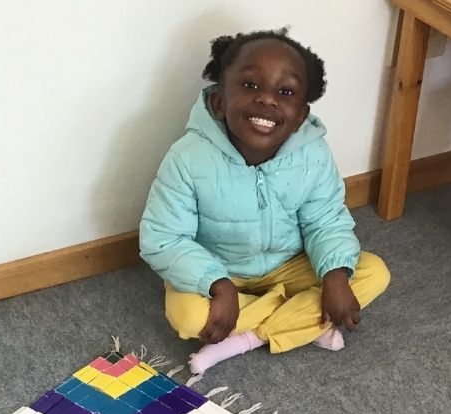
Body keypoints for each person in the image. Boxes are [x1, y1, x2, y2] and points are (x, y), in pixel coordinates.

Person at [140, 29, 390, 374]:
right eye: (251, 86)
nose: (267, 100)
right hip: (220, 270)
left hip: (290, 263)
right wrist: (217, 284)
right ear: (219, 102)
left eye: (285, 92)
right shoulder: (187, 158)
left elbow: (326, 220)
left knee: (373, 273)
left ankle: (249, 338)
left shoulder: (313, 155)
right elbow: (163, 239)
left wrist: (333, 274)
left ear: (300, 117)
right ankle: (303, 320)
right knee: (187, 317)